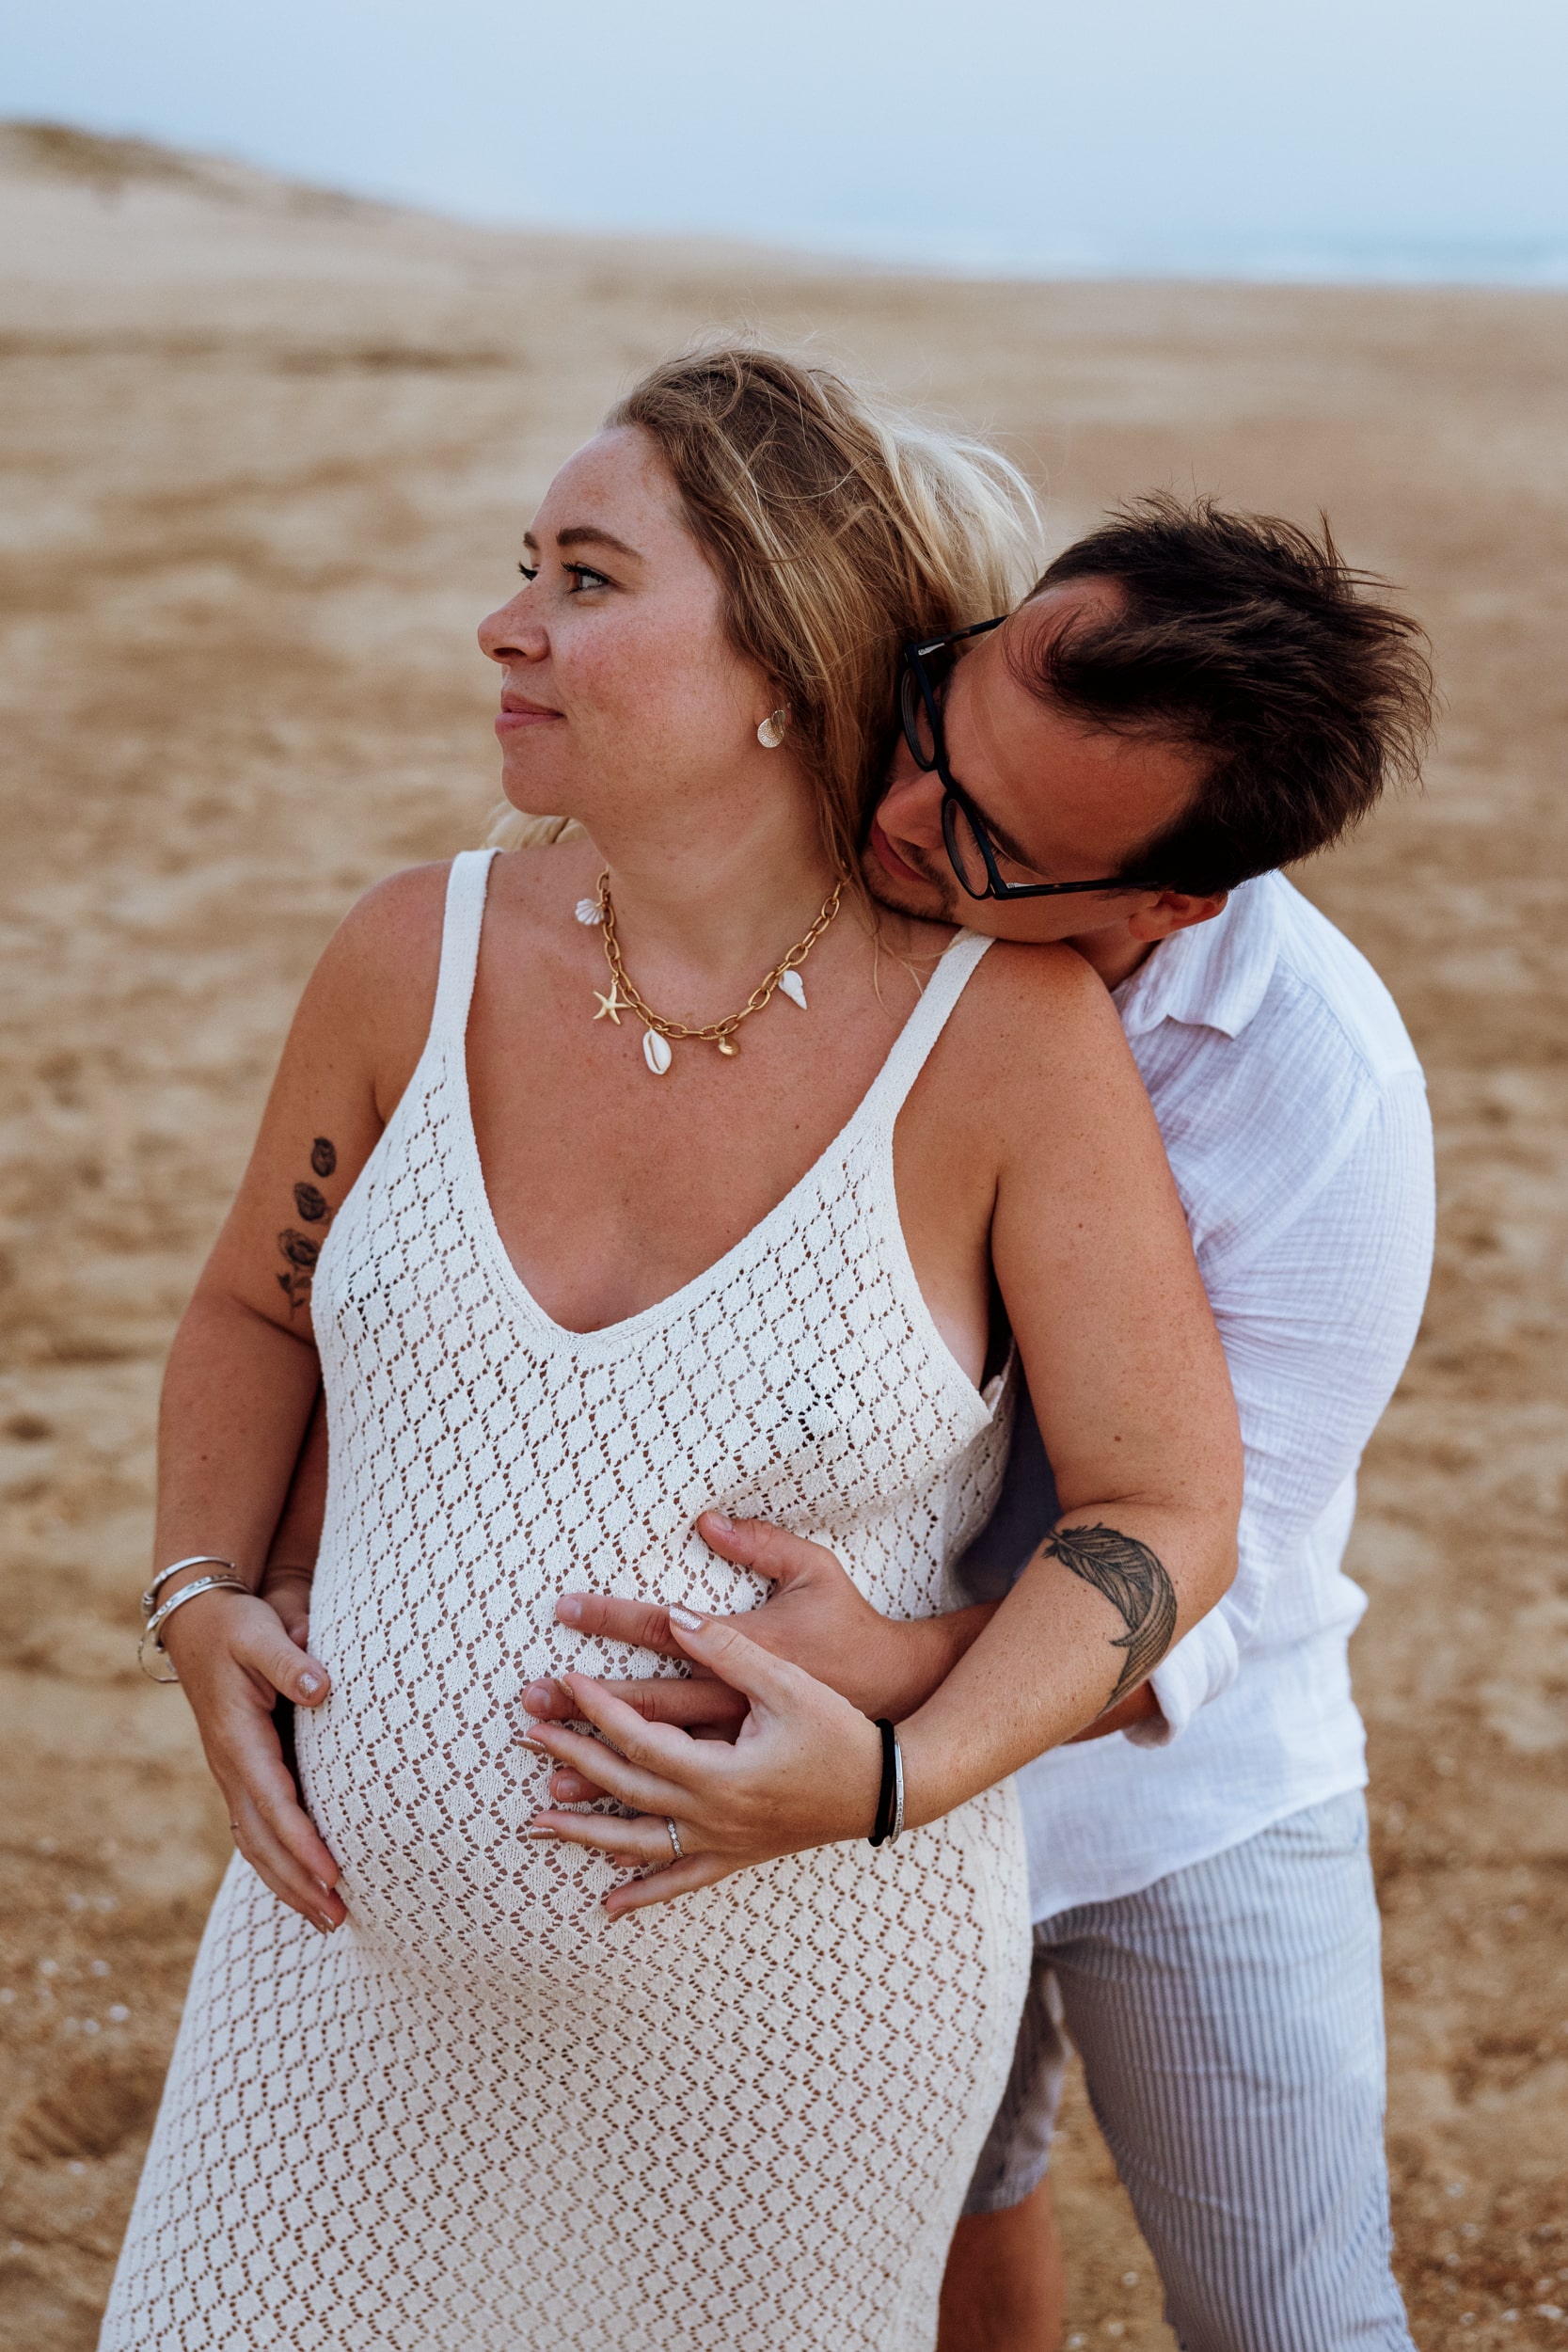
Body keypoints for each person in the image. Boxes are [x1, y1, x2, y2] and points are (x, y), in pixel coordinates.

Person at [102, 350, 1242, 2352]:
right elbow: (251, 1308)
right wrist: (198, 1587)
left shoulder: (1004, 1041)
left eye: (587, 577)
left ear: (786, 663)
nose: (506, 623)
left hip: (804, 2029)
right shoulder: (408, 951)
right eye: (525, 563)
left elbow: (1168, 1505)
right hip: (340, 1985)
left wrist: (895, 1770)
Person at [508, 498, 1437, 2349]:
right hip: (828, 1775)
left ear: (1176, 898)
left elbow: (1211, 1557)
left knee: (1290, 2307)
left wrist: (889, 1679)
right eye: (939, 717)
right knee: (947, 2218)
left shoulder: (1320, 1094)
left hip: (1182, 1793)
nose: (902, 815)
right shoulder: (848, 886)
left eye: (994, 838)